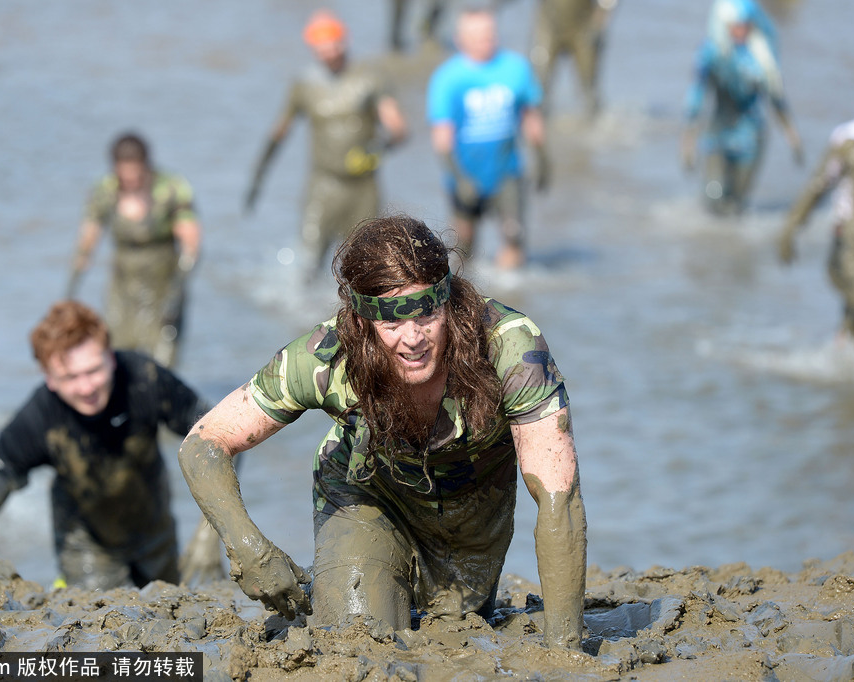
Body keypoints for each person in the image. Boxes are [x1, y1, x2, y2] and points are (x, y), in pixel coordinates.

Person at [178, 215, 587, 650]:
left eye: (427, 313)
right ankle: (349, 573)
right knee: (361, 641)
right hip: (368, 492)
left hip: (473, 509)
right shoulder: (326, 357)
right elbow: (204, 443)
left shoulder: (511, 349)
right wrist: (250, 549)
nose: (413, 339)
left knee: (454, 637)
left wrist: (566, 651)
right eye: (392, 321)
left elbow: (559, 500)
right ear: (361, 321)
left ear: (447, 300)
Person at [0, 300, 216, 590]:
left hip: (156, 530)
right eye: (70, 377)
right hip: (86, 546)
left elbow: (222, 434)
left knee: (170, 613)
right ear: (49, 378)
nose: (86, 388)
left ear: (110, 356)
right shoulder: (37, 420)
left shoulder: (144, 378)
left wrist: (209, 535)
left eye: (94, 370)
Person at [243, 9, 409, 280]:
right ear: (312, 48)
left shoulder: (370, 79)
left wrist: (376, 150)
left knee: (365, 261)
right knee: (309, 258)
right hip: (322, 183)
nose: (329, 52)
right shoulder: (305, 85)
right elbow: (279, 133)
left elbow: (399, 129)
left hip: (362, 186)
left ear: (345, 40)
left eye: (333, 43)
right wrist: (257, 179)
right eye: (321, 47)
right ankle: (306, 314)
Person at [427, 7, 550, 271]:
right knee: (464, 244)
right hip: (465, 170)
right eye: (480, 35)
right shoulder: (448, 78)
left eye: (491, 33)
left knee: (514, 234)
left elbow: (531, 116)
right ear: (461, 40)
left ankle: (511, 293)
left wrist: (542, 159)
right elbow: (441, 136)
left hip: (507, 170)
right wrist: (459, 178)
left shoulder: (516, 68)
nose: (488, 40)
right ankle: (462, 298)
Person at [68, 132, 201, 369]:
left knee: (162, 360)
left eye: (136, 172)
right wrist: (72, 287)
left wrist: (178, 290)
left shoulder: (171, 188)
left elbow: (191, 243)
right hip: (123, 287)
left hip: (163, 285)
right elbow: (88, 239)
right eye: (124, 172)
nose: (130, 179)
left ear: (146, 165)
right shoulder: (105, 190)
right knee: (117, 357)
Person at [778, 71, 854, 345]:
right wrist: (790, 229)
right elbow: (818, 186)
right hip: (852, 251)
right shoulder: (853, 138)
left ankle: (849, 381)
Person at [681, 0, 802, 216]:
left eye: (746, 24)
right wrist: (687, 143)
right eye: (735, 24)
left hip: (750, 138)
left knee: (736, 206)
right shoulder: (711, 53)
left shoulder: (762, 58)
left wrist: (792, 137)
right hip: (718, 135)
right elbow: (695, 99)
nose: (741, 30)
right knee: (712, 198)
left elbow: (777, 100)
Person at [526, 0, 619, 118]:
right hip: (548, 27)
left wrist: (600, 18)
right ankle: (539, 127)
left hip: (583, 28)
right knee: (538, 86)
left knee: (589, 88)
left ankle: (594, 127)